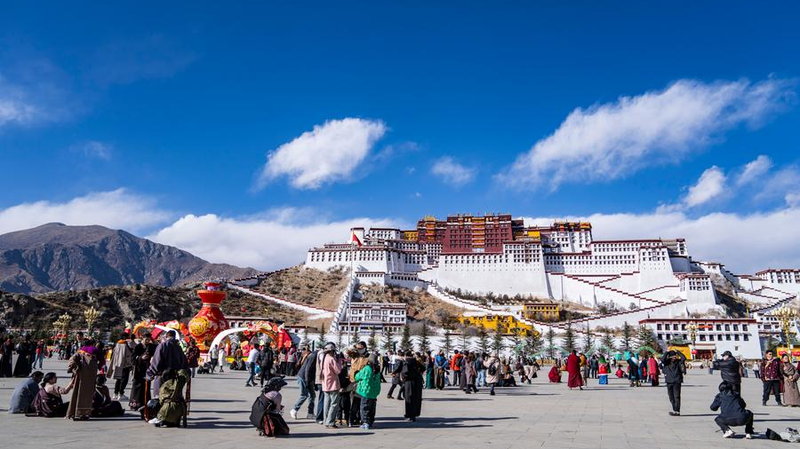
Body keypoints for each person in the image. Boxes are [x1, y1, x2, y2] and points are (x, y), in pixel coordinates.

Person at [146, 331, 189, 397]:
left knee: (160, 397)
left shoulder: (162, 345)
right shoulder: (178, 347)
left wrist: (150, 373)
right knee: (172, 397)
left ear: (166, 336)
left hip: (162, 377)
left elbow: (156, 361)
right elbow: (184, 363)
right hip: (174, 378)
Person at [66, 340, 99, 420]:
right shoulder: (94, 355)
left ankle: (74, 413)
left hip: (80, 377)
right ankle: (84, 413)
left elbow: (71, 362)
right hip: (90, 379)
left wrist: (75, 369)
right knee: (87, 396)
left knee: (77, 394)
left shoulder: (79, 353)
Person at [129, 333, 156, 411]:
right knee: (137, 387)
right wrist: (141, 358)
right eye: (146, 339)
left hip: (147, 369)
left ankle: (146, 404)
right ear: (142, 338)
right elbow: (132, 360)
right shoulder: (137, 347)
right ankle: (135, 404)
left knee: (146, 387)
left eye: (149, 339)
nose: (147, 341)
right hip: (138, 370)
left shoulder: (151, 346)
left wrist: (152, 358)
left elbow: (156, 352)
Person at [355, 353, 381, 429]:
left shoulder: (367, 368)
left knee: (364, 407)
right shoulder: (378, 369)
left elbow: (357, 377)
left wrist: (356, 373)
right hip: (374, 392)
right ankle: (371, 421)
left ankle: (365, 422)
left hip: (366, 391)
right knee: (372, 408)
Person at [290, 345, 317, 420]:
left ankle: (310, 413)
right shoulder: (313, 357)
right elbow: (307, 370)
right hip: (303, 377)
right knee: (304, 395)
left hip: (308, 378)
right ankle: (294, 409)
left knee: (312, 395)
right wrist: (307, 381)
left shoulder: (313, 355)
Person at [320, 342, 342, 429]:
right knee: (334, 404)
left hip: (325, 384)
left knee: (326, 403)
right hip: (332, 384)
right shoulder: (331, 359)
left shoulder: (324, 358)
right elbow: (338, 370)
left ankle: (326, 420)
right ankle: (330, 422)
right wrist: (339, 362)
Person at [348, 341, 370, 426]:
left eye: (361, 348)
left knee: (362, 402)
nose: (359, 349)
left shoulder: (367, 357)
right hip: (353, 380)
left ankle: (360, 418)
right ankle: (352, 419)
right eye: (358, 348)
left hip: (362, 381)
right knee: (354, 402)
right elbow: (347, 352)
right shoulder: (355, 355)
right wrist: (354, 347)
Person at [107, 333, 135, 401]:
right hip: (125, 364)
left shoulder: (117, 344)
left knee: (118, 379)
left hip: (118, 364)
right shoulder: (127, 343)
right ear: (125, 337)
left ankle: (115, 394)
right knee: (124, 380)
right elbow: (132, 351)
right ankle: (121, 394)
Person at [661, 350, 687, 416]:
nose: (674, 358)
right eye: (673, 356)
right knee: (671, 397)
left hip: (677, 381)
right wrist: (666, 352)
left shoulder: (678, 362)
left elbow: (684, 358)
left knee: (677, 397)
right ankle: (675, 409)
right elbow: (662, 359)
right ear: (670, 357)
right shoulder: (666, 362)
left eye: (675, 356)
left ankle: (677, 411)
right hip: (669, 381)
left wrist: (678, 352)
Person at [401, 350, 423, 421]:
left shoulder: (406, 362)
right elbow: (423, 368)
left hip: (409, 381)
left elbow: (405, 373)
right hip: (417, 382)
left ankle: (409, 415)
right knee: (415, 398)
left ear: (405, 355)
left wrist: (403, 378)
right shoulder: (416, 361)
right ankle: (414, 414)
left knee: (409, 398)